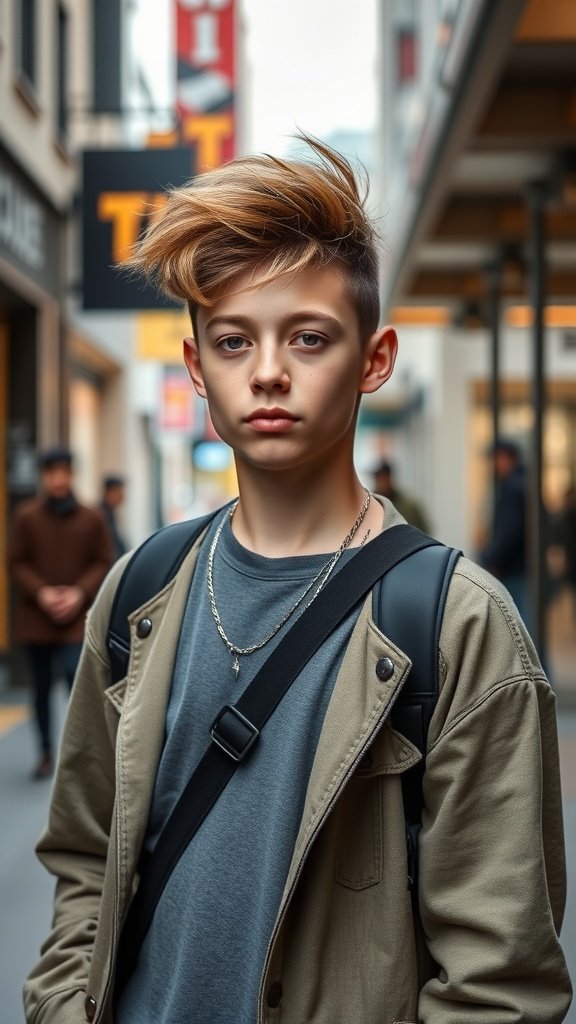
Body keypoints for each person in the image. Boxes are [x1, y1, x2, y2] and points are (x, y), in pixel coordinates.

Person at [24, 140, 571, 1023]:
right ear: (198, 370)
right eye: (234, 340)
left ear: (374, 359)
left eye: (308, 337)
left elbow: (499, 981)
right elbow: (88, 860)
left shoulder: (454, 624)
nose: (269, 370)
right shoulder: (142, 592)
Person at [8, 446, 113, 779]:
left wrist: (78, 592)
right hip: (36, 618)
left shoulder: (91, 517)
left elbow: (103, 560)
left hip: (76, 619)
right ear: (44, 476)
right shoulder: (26, 516)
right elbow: (15, 561)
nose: (57, 479)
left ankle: (77, 754)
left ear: (71, 474)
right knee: (39, 688)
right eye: (51, 473)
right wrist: (42, 592)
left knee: (75, 681)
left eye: (62, 472)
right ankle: (44, 752)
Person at [479, 438, 529, 624]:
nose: (494, 465)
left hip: (515, 568)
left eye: (496, 459)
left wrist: (490, 558)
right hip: (521, 566)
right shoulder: (523, 483)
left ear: (506, 458)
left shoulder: (512, 488)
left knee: (521, 622)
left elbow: (510, 531)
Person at [372, 457, 431, 532]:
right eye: (377, 478)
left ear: (389, 478)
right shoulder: (369, 506)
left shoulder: (409, 506)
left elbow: (425, 531)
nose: (380, 482)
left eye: (383, 478)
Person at [99, 474, 128, 560]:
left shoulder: (111, 512)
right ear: (111, 492)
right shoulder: (102, 515)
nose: (123, 496)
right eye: (120, 492)